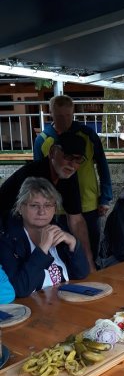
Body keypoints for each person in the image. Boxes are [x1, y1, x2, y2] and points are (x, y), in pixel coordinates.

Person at [0, 131, 96, 271]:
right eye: (68, 157)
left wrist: (89, 262)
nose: (72, 165)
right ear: (52, 152)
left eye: (78, 160)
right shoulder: (33, 177)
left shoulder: (67, 175)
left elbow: (76, 220)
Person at [34, 94, 112, 260]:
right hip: (58, 209)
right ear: (50, 114)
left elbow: (102, 165)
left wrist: (105, 197)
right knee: (63, 253)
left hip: (88, 204)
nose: (64, 120)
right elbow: (38, 176)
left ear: (73, 113)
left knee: (90, 250)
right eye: (59, 116)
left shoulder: (88, 135)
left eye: (68, 115)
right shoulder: (43, 139)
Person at [0, 178, 89, 298]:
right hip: (32, 312)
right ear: (20, 208)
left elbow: (81, 274)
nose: (42, 212)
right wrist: (42, 249)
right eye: (34, 205)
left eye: (48, 205)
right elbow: (20, 290)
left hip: (66, 305)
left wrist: (73, 244)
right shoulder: (7, 240)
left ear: (55, 209)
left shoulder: (58, 231)